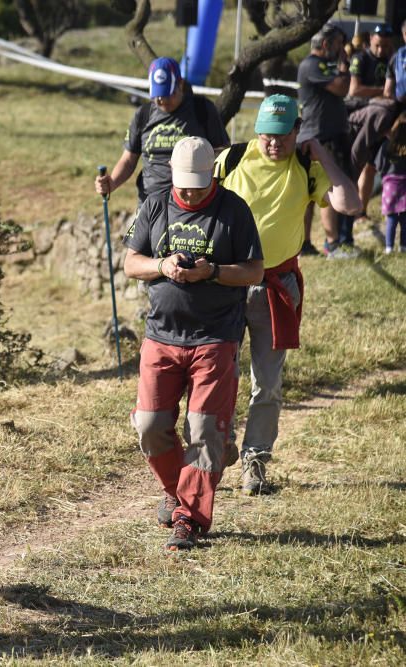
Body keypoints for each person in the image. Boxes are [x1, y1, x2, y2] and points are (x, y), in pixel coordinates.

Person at [215, 96, 361, 495]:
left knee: (267, 382)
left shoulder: (307, 168)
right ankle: (219, 445)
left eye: (282, 135)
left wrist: (321, 155)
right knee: (217, 372)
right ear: (256, 131)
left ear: (297, 131)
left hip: (276, 287)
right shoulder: (231, 159)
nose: (274, 144)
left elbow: (351, 204)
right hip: (227, 283)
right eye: (267, 135)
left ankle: (255, 462)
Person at [124, 137, 264, 551]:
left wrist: (213, 271)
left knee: (205, 430)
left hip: (216, 338)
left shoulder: (235, 210)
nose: (189, 193)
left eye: (198, 186)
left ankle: (189, 518)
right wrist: (161, 265)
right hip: (162, 336)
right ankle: (178, 489)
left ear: (213, 177)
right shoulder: (155, 204)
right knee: (150, 425)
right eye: (184, 185)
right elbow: (131, 262)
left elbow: (255, 271)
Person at [95, 56, 229, 207]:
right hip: (150, 204)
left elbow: (223, 153)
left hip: (192, 203)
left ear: (180, 84)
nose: (161, 100)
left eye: (167, 94)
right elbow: (128, 160)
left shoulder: (202, 110)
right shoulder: (143, 114)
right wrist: (111, 183)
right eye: (157, 95)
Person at [297, 23, 356, 258]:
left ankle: (308, 244)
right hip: (320, 138)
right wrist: (344, 66)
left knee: (316, 193)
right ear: (325, 43)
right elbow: (342, 88)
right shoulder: (311, 65)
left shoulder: (320, 65)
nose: (342, 48)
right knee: (327, 190)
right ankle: (331, 244)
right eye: (338, 43)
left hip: (327, 136)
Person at [348, 24, 397, 223]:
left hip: (385, 121)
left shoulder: (393, 59)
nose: (381, 50)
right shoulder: (360, 58)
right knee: (356, 162)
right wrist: (383, 92)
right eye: (378, 45)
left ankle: (361, 211)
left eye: (385, 46)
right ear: (370, 39)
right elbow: (354, 90)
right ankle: (349, 210)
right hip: (360, 118)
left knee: (371, 167)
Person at [375, 112, 406, 253]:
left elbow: (379, 165)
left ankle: (389, 247)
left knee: (391, 218)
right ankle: (403, 246)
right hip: (405, 185)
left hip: (390, 186)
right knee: (405, 219)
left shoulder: (387, 145)